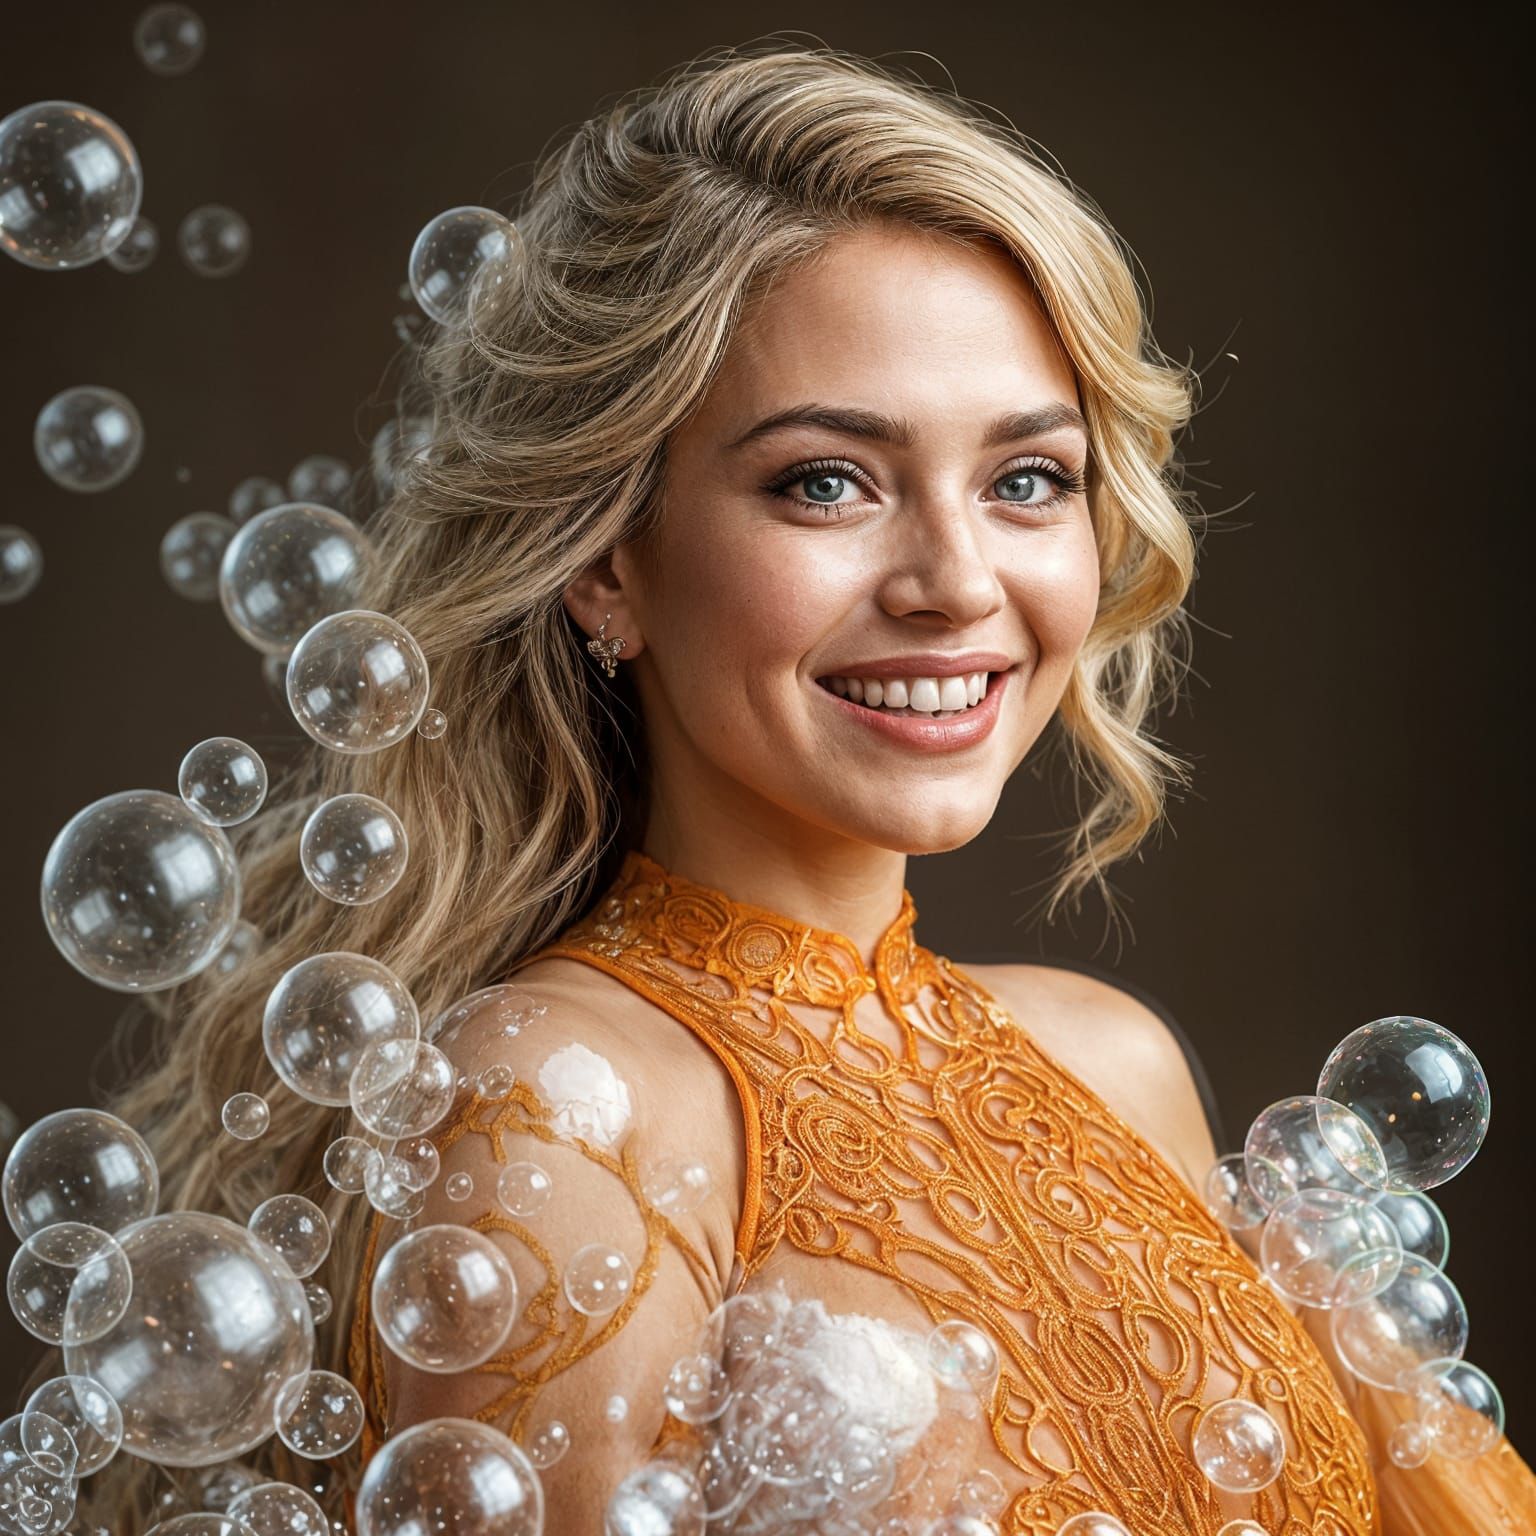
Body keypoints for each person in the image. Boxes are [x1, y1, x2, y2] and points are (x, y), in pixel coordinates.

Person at [94, 42, 1533, 1535]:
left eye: (1028, 478)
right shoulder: (559, 1112)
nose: (957, 584)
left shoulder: (1118, 1066)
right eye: (826, 482)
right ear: (604, 561)